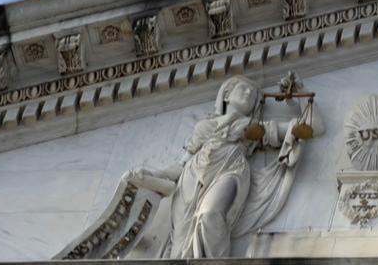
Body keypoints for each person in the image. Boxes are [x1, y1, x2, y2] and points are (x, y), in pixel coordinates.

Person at [128, 74, 312, 257]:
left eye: (253, 94)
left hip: (230, 169)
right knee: (181, 241)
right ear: (226, 95)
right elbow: (180, 165)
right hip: (192, 177)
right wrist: (154, 173)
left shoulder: (252, 126)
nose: (249, 93)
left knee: (209, 214)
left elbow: (310, 127)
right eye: (242, 89)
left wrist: (302, 95)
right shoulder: (203, 127)